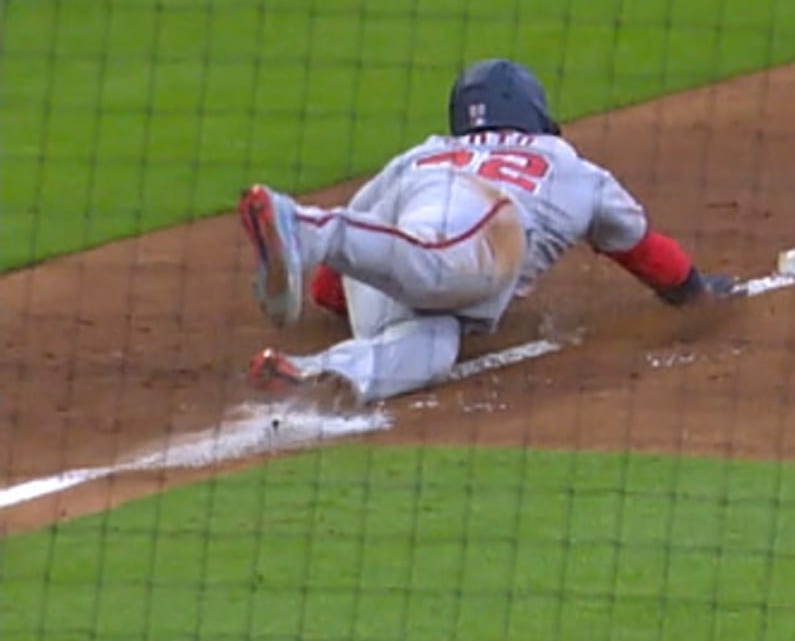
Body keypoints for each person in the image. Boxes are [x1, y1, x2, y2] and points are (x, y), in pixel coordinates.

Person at [235, 59, 733, 405]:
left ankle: (326, 374)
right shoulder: (567, 166)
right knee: (434, 262)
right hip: (481, 224)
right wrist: (694, 292)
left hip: (403, 228)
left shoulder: (423, 151)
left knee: (433, 343)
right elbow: (643, 251)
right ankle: (296, 223)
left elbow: (330, 288)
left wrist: (359, 300)